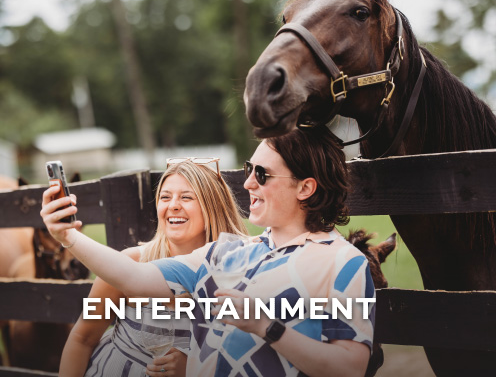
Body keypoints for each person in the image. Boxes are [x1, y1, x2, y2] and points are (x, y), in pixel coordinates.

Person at [42, 127, 375, 377]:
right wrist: (67, 235)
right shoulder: (229, 254)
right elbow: (133, 277)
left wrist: (266, 326)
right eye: (248, 170)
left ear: (305, 187)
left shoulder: (344, 263)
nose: (248, 184)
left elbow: (350, 369)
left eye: (262, 174)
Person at [58, 159, 248, 377]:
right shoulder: (131, 263)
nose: (173, 205)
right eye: (165, 197)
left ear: (213, 206)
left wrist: (195, 369)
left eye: (186, 197)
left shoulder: (240, 269)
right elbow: (82, 338)